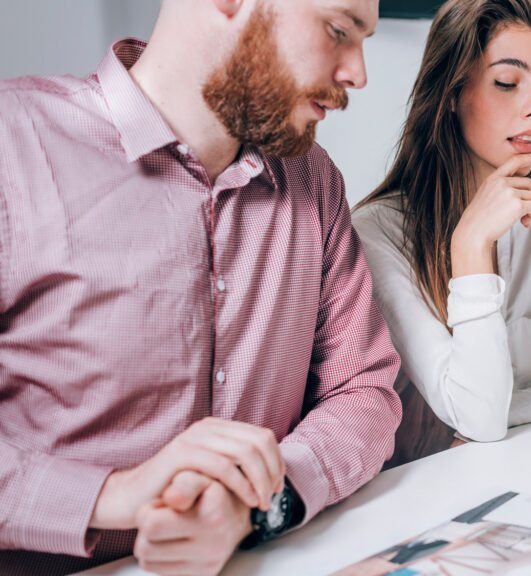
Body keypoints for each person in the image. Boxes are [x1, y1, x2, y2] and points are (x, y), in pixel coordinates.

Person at [0, 0, 402, 573]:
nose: (358, 73)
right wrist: (115, 495)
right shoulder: (12, 145)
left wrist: (256, 503)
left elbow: (364, 390)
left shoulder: (314, 184)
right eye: (339, 29)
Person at [353, 0, 531, 465]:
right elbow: (476, 417)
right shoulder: (379, 230)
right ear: (453, 93)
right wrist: (471, 243)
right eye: (506, 83)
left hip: (519, 463)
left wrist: (511, 411)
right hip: (417, 487)